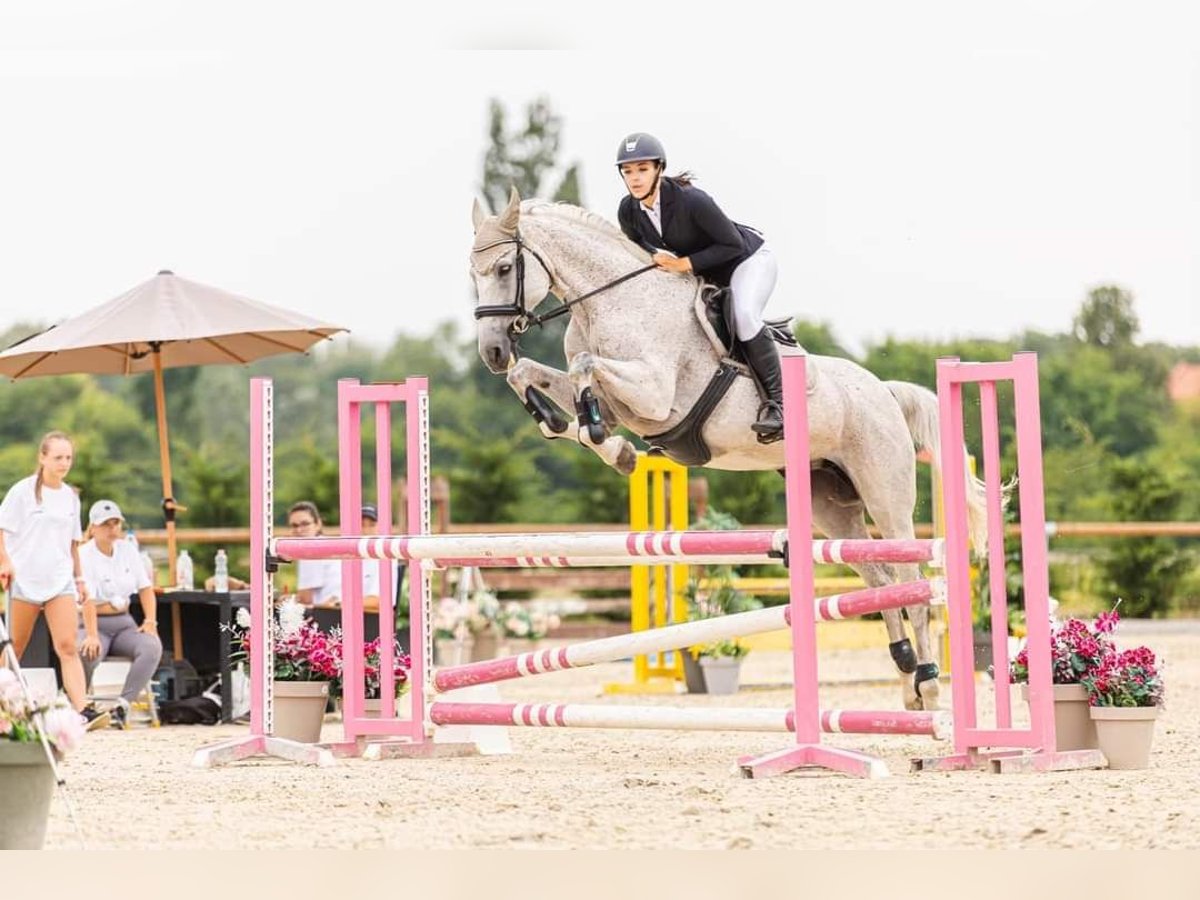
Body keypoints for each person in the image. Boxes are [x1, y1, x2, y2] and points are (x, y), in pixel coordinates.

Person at [615, 132, 784, 442]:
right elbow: (638, 247)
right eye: (628, 171)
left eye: (642, 169)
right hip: (706, 272)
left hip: (747, 260)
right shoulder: (628, 211)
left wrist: (683, 264)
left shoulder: (693, 201)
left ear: (659, 169)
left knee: (744, 316)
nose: (635, 179)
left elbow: (731, 245)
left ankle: (777, 405)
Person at [0, 431, 109, 730]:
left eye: (68, 458)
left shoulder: (70, 498)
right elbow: (1, 531)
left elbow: (73, 543)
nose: (64, 463)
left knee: (67, 646)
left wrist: (79, 578)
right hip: (24, 580)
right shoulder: (22, 492)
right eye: (58, 457)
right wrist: (5, 561)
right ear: (43, 457)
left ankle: (82, 708)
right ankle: (2, 705)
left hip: (59, 580)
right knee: (15, 649)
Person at [76, 499, 164, 728]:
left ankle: (123, 705)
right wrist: (92, 634)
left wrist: (151, 621)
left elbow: (145, 588)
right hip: (91, 621)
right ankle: (80, 705)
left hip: (123, 622)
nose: (112, 529)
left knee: (151, 646)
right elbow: (88, 600)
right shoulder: (84, 554)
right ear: (93, 527)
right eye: (106, 524)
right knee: (88, 651)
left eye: (116, 523)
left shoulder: (128, 550)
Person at [289, 501, 342, 607]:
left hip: (327, 613)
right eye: (294, 526)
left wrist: (287, 600)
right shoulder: (325, 544)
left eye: (305, 524)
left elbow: (305, 599)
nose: (299, 530)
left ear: (318, 524)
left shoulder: (312, 549)